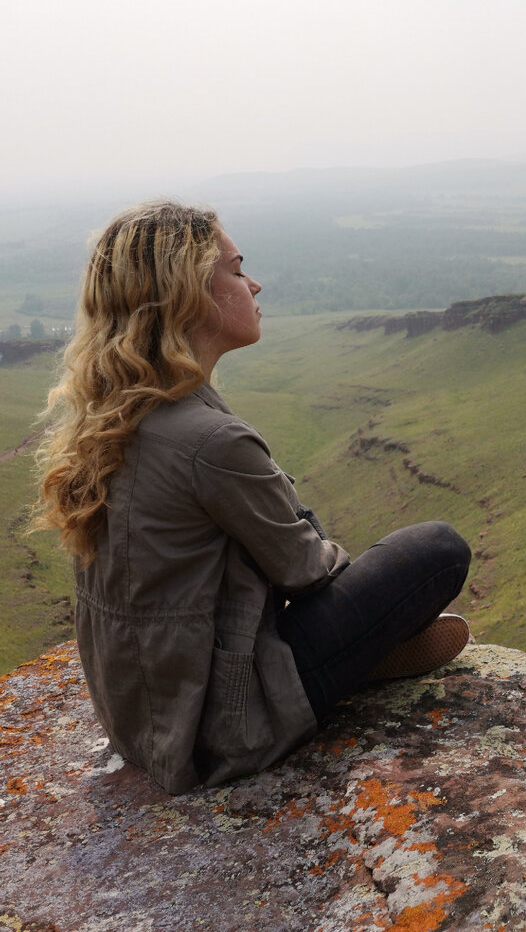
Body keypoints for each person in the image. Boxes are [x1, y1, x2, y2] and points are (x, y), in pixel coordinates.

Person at [33, 201, 472, 795]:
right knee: (436, 551)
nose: (254, 282)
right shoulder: (209, 438)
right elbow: (305, 572)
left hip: (142, 720)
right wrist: (337, 565)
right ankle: (364, 658)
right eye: (238, 270)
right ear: (194, 295)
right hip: (225, 725)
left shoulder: (115, 411)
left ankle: (360, 655)